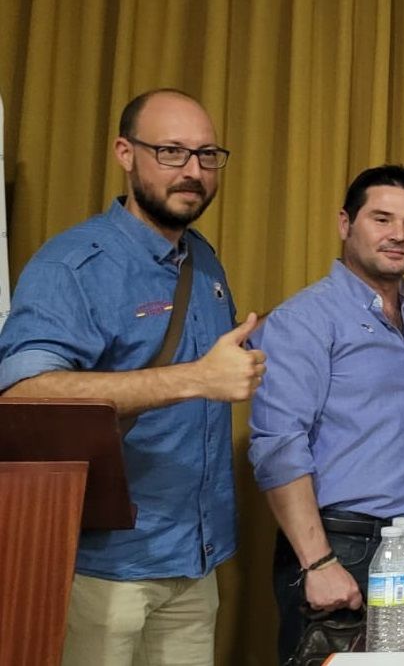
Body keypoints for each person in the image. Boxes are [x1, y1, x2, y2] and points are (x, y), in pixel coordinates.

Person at [0, 88, 261, 665]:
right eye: (170, 152)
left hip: (194, 562)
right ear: (125, 152)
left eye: (206, 155)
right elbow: (23, 395)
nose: (192, 172)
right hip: (103, 571)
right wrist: (195, 378)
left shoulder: (204, 259)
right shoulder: (75, 263)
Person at [249, 165, 404, 660]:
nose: (398, 236)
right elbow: (278, 444)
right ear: (345, 223)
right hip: (340, 546)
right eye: (382, 219)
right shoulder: (305, 319)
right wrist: (318, 562)